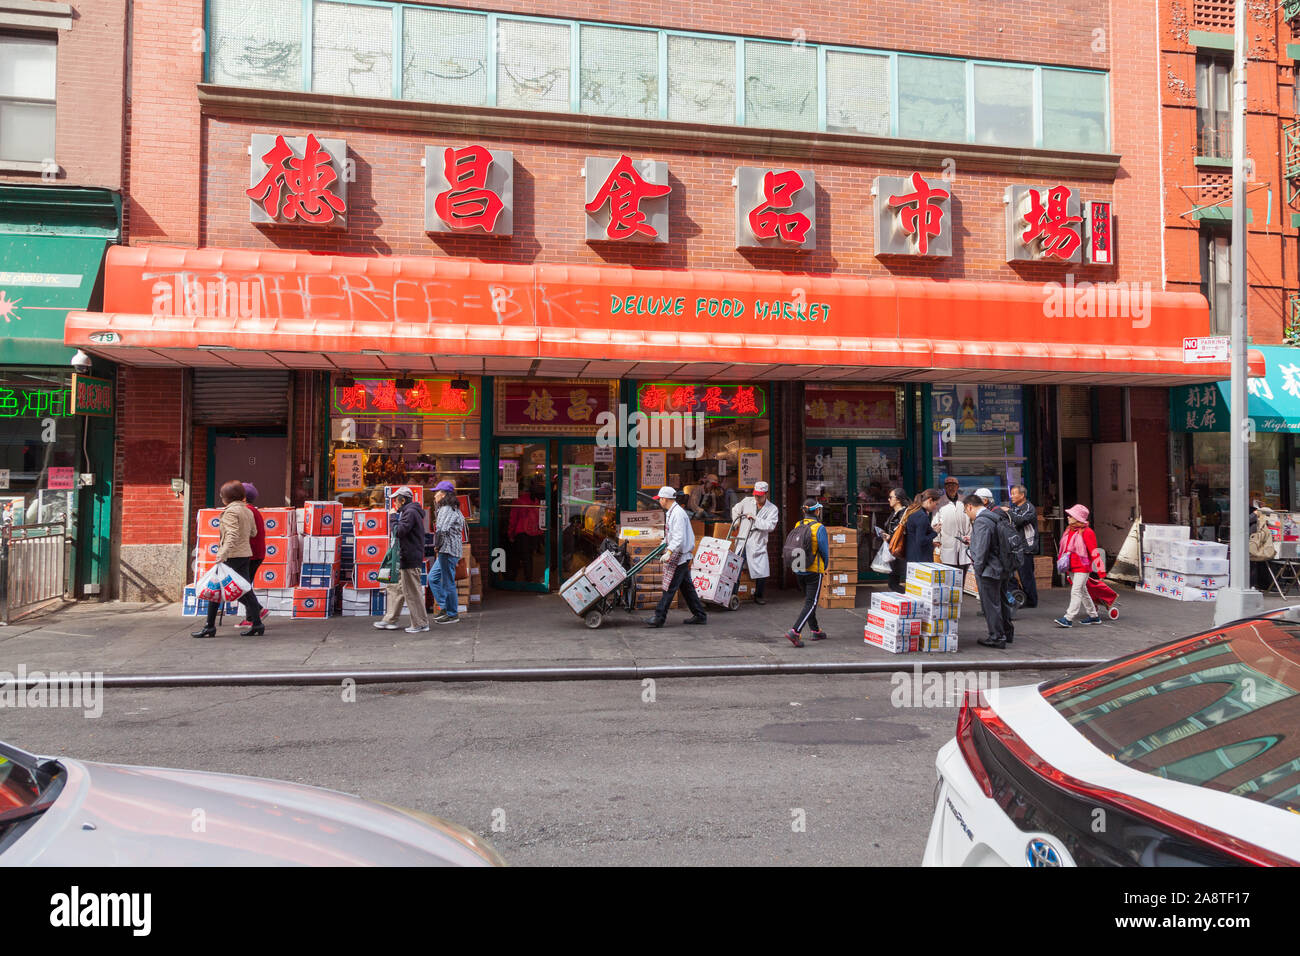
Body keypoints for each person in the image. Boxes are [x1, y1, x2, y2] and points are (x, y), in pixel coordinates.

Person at [190, 480, 267, 639]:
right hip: (245, 553)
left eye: (221, 495)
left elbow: (231, 535)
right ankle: (257, 624)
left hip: (231, 556)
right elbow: (253, 532)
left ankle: (209, 627)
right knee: (245, 589)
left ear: (227, 497)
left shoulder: (230, 512)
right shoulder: (248, 510)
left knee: (215, 589)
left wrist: (222, 554)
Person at [645, 486, 708, 628]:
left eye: (660, 499)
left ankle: (659, 617)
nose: (659, 501)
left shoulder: (678, 514)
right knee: (687, 588)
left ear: (666, 499)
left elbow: (679, 537)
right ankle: (700, 615)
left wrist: (669, 552)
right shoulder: (671, 512)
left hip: (679, 555)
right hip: (680, 555)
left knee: (669, 588)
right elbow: (672, 534)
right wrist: (663, 545)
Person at [373, 486, 431, 633]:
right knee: (398, 588)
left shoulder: (410, 512)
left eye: (396, 501)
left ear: (403, 500)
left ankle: (420, 623)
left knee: (412, 592)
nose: (395, 505)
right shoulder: (411, 511)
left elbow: (399, 531)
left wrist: (392, 518)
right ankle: (390, 620)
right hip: (407, 557)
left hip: (410, 558)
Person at [965, 494, 1013, 649]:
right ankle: (1007, 632)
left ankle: (997, 637)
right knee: (1002, 601)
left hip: (989, 569)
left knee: (990, 605)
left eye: (966, 511)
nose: (967, 515)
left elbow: (982, 550)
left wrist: (977, 569)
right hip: (1002, 566)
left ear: (969, 506)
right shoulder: (994, 516)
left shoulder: (981, 521)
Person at [784, 498, 830, 648]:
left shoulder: (798, 525)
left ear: (804, 511)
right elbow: (824, 551)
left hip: (799, 569)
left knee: (809, 602)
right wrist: (825, 565)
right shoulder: (819, 528)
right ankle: (795, 631)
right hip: (813, 570)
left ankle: (815, 630)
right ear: (816, 511)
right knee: (811, 603)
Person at [731, 479, 779, 604]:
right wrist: (736, 523)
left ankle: (759, 595)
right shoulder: (747, 501)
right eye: (756, 495)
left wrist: (755, 518)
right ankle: (733, 594)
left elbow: (770, 526)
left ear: (766, 494)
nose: (757, 498)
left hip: (757, 541)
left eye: (760, 496)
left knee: (761, 570)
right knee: (737, 567)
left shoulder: (772, 509)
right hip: (743, 540)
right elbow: (735, 510)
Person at [1055, 504, 1103, 628]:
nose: (1068, 517)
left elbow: (1094, 551)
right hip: (1071, 566)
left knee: (1076, 591)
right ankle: (1094, 616)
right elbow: (1065, 550)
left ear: (1078, 517)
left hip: (1082, 567)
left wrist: (1101, 571)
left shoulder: (1088, 532)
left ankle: (1068, 618)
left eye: (1071, 515)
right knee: (1083, 591)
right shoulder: (1069, 530)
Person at [430, 480, 466, 625]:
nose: (434, 495)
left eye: (436, 492)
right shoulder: (452, 509)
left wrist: (437, 546)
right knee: (433, 578)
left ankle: (452, 614)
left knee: (448, 582)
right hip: (450, 549)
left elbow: (442, 530)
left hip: (448, 550)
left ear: (443, 494)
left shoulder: (446, 509)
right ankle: (445, 607)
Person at [1002, 484, 1039, 608]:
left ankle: (1031, 601)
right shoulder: (1015, 508)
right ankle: (1019, 596)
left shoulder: (1029, 507)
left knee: (1026, 576)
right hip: (1014, 547)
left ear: (1022, 495)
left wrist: (1009, 512)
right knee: (1010, 574)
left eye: (1014, 493)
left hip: (1026, 548)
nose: (1011, 496)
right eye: (1011, 493)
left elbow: (1021, 521)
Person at [239, 481, 269, 628]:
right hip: (255, 553)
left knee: (239, 587)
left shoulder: (246, 511)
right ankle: (251, 617)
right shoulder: (252, 510)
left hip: (250, 554)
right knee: (245, 585)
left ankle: (257, 610)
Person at [507, 477, 544, 582]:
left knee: (518, 556)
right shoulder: (536, 500)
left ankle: (513, 578)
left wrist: (510, 534)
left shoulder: (518, 501)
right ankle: (529, 577)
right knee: (529, 556)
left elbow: (513, 520)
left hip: (521, 532)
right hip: (533, 532)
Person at [903, 489, 942, 582]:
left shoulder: (913, 512)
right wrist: (935, 532)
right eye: (936, 504)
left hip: (912, 556)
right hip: (921, 559)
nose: (936, 507)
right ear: (929, 500)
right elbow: (921, 541)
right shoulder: (922, 516)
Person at [933, 477, 971, 571]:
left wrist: (971, 536)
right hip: (947, 541)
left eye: (954, 485)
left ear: (958, 487)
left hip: (964, 541)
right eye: (948, 486)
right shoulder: (940, 501)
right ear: (945, 487)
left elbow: (971, 519)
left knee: (963, 570)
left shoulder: (965, 500)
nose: (951, 488)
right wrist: (936, 538)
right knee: (949, 571)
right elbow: (935, 521)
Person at [881, 488, 910, 593]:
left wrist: (890, 537)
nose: (888, 499)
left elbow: (902, 533)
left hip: (899, 551)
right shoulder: (895, 513)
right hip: (894, 550)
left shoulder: (903, 514)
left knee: (893, 584)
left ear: (898, 499)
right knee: (893, 583)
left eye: (891, 497)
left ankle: (909, 598)